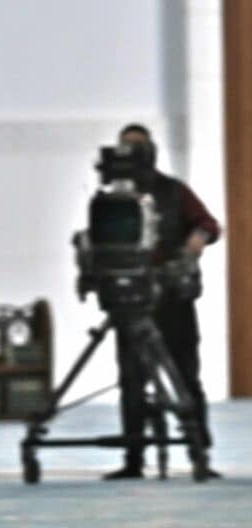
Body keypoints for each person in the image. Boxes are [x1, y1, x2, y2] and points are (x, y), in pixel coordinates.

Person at [104, 123, 221, 480]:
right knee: (132, 380)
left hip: (172, 300)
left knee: (186, 375)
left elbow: (208, 224)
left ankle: (200, 452)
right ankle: (134, 457)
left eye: (138, 147)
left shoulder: (174, 191)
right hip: (131, 300)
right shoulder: (111, 199)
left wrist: (196, 240)